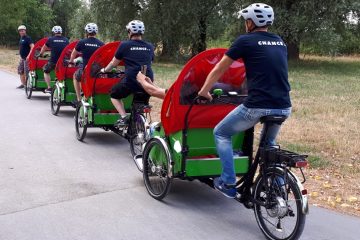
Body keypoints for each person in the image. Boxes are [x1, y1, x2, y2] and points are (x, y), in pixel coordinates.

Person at [198, 3, 292, 198]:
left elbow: (219, 69)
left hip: (257, 106)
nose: (244, 24)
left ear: (251, 22)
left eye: (245, 20)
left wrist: (204, 91)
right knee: (269, 145)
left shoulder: (245, 41)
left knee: (221, 133)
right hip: (283, 106)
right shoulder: (279, 41)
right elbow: (268, 69)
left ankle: (228, 181)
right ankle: (278, 185)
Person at [101, 20, 154, 126]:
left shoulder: (124, 45)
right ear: (142, 32)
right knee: (141, 103)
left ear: (129, 32)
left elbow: (113, 63)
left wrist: (105, 70)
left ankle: (124, 117)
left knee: (114, 94)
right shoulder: (150, 46)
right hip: (148, 81)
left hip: (131, 80)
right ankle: (141, 123)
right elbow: (150, 61)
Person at [69, 23, 104, 104]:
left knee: (75, 75)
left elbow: (73, 53)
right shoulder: (101, 44)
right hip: (97, 72)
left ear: (86, 32)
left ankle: (78, 99)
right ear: (96, 32)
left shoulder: (82, 42)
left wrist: (71, 62)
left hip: (86, 71)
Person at [39, 26, 69, 93]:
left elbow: (44, 48)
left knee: (46, 70)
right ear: (61, 32)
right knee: (64, 73)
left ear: (54, 32)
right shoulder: (66, 40)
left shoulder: (51, 39)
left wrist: (41, 54)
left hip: (53, 61)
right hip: (62, 61)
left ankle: (49, 87)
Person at [17, 25, 34, 89]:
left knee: (27, 72)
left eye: (22, 31)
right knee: (20, 71)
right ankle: (23, 84)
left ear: (25, 31)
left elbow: (32, 47)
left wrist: (29, 56)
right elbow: (21, 47)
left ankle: (27, 85)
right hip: (22, 58)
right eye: (20, 31)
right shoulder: (21, 38)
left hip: (27, 58)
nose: (21, 32)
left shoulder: (28, 38)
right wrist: (20, 54)